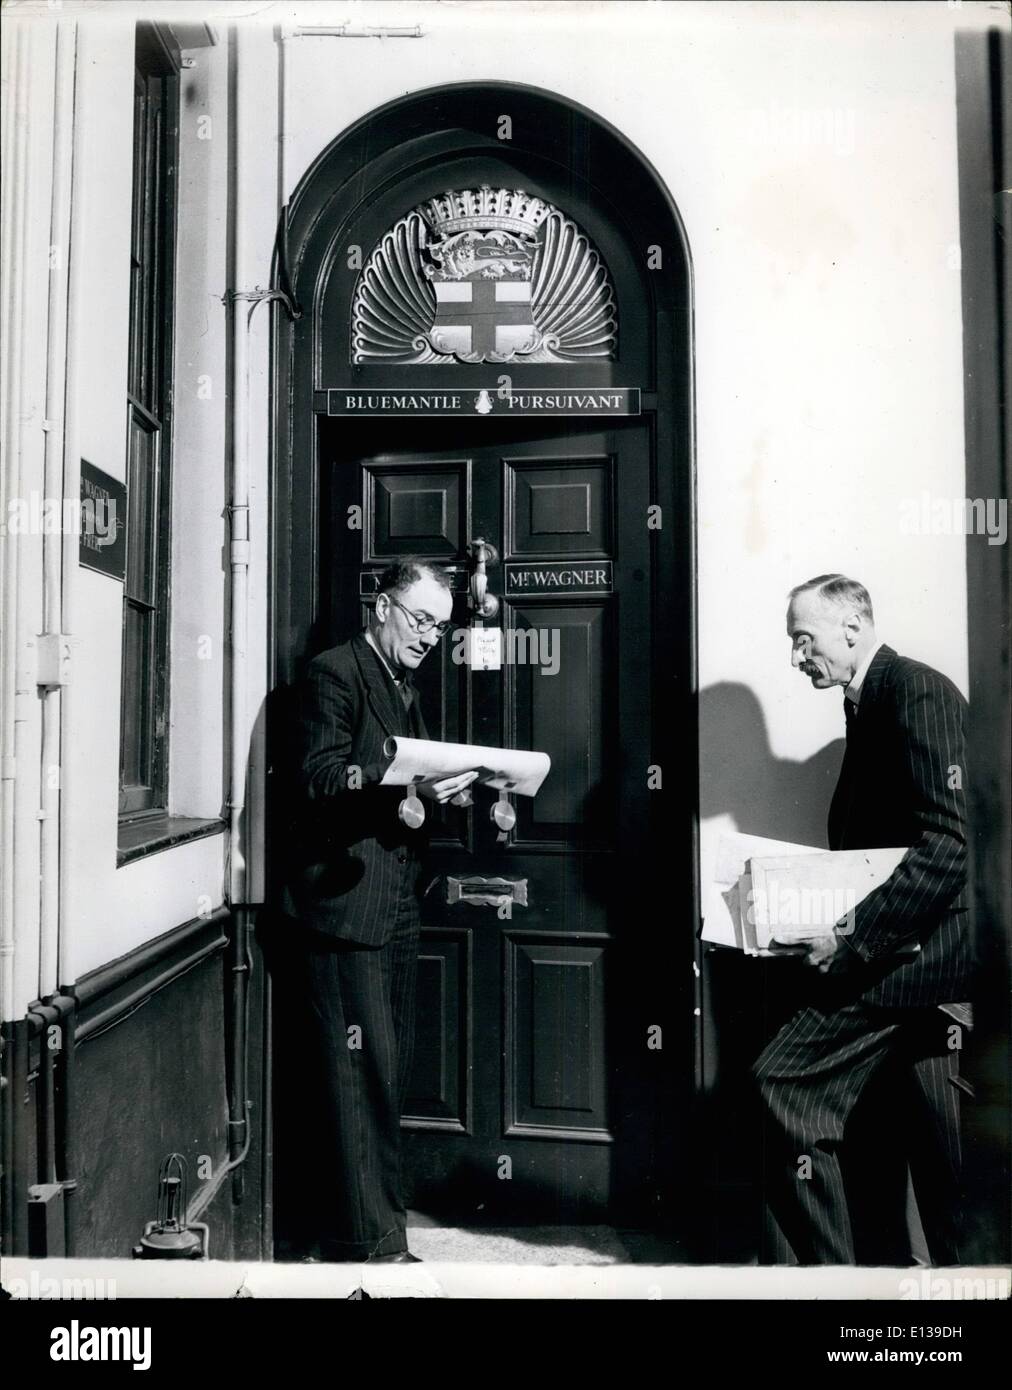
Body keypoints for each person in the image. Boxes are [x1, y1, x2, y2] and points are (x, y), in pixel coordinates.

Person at [752, 574, 971, 1265]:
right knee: (946, 1161)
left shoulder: (916, 691)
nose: (796, 656)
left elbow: (950, 844)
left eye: (803, 638)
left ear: (851, 628)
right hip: (914, 958)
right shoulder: (869, 702)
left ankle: (831, 1283)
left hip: (920, 959)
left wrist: (848, 936)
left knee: (780, 1081)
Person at [279, 558, 477, 1263]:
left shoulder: (402, 681)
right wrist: (397, 776)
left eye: (441, 626)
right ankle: (367, 1246)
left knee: (384, 1072)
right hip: (342, 909)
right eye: (422, 619)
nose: (430, 637)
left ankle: (379, 1229)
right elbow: (319, 777)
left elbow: (399, 797)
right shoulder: (336, 672)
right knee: (357, 1076)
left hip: (390, 905)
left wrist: (433, 795)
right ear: (382, 605)